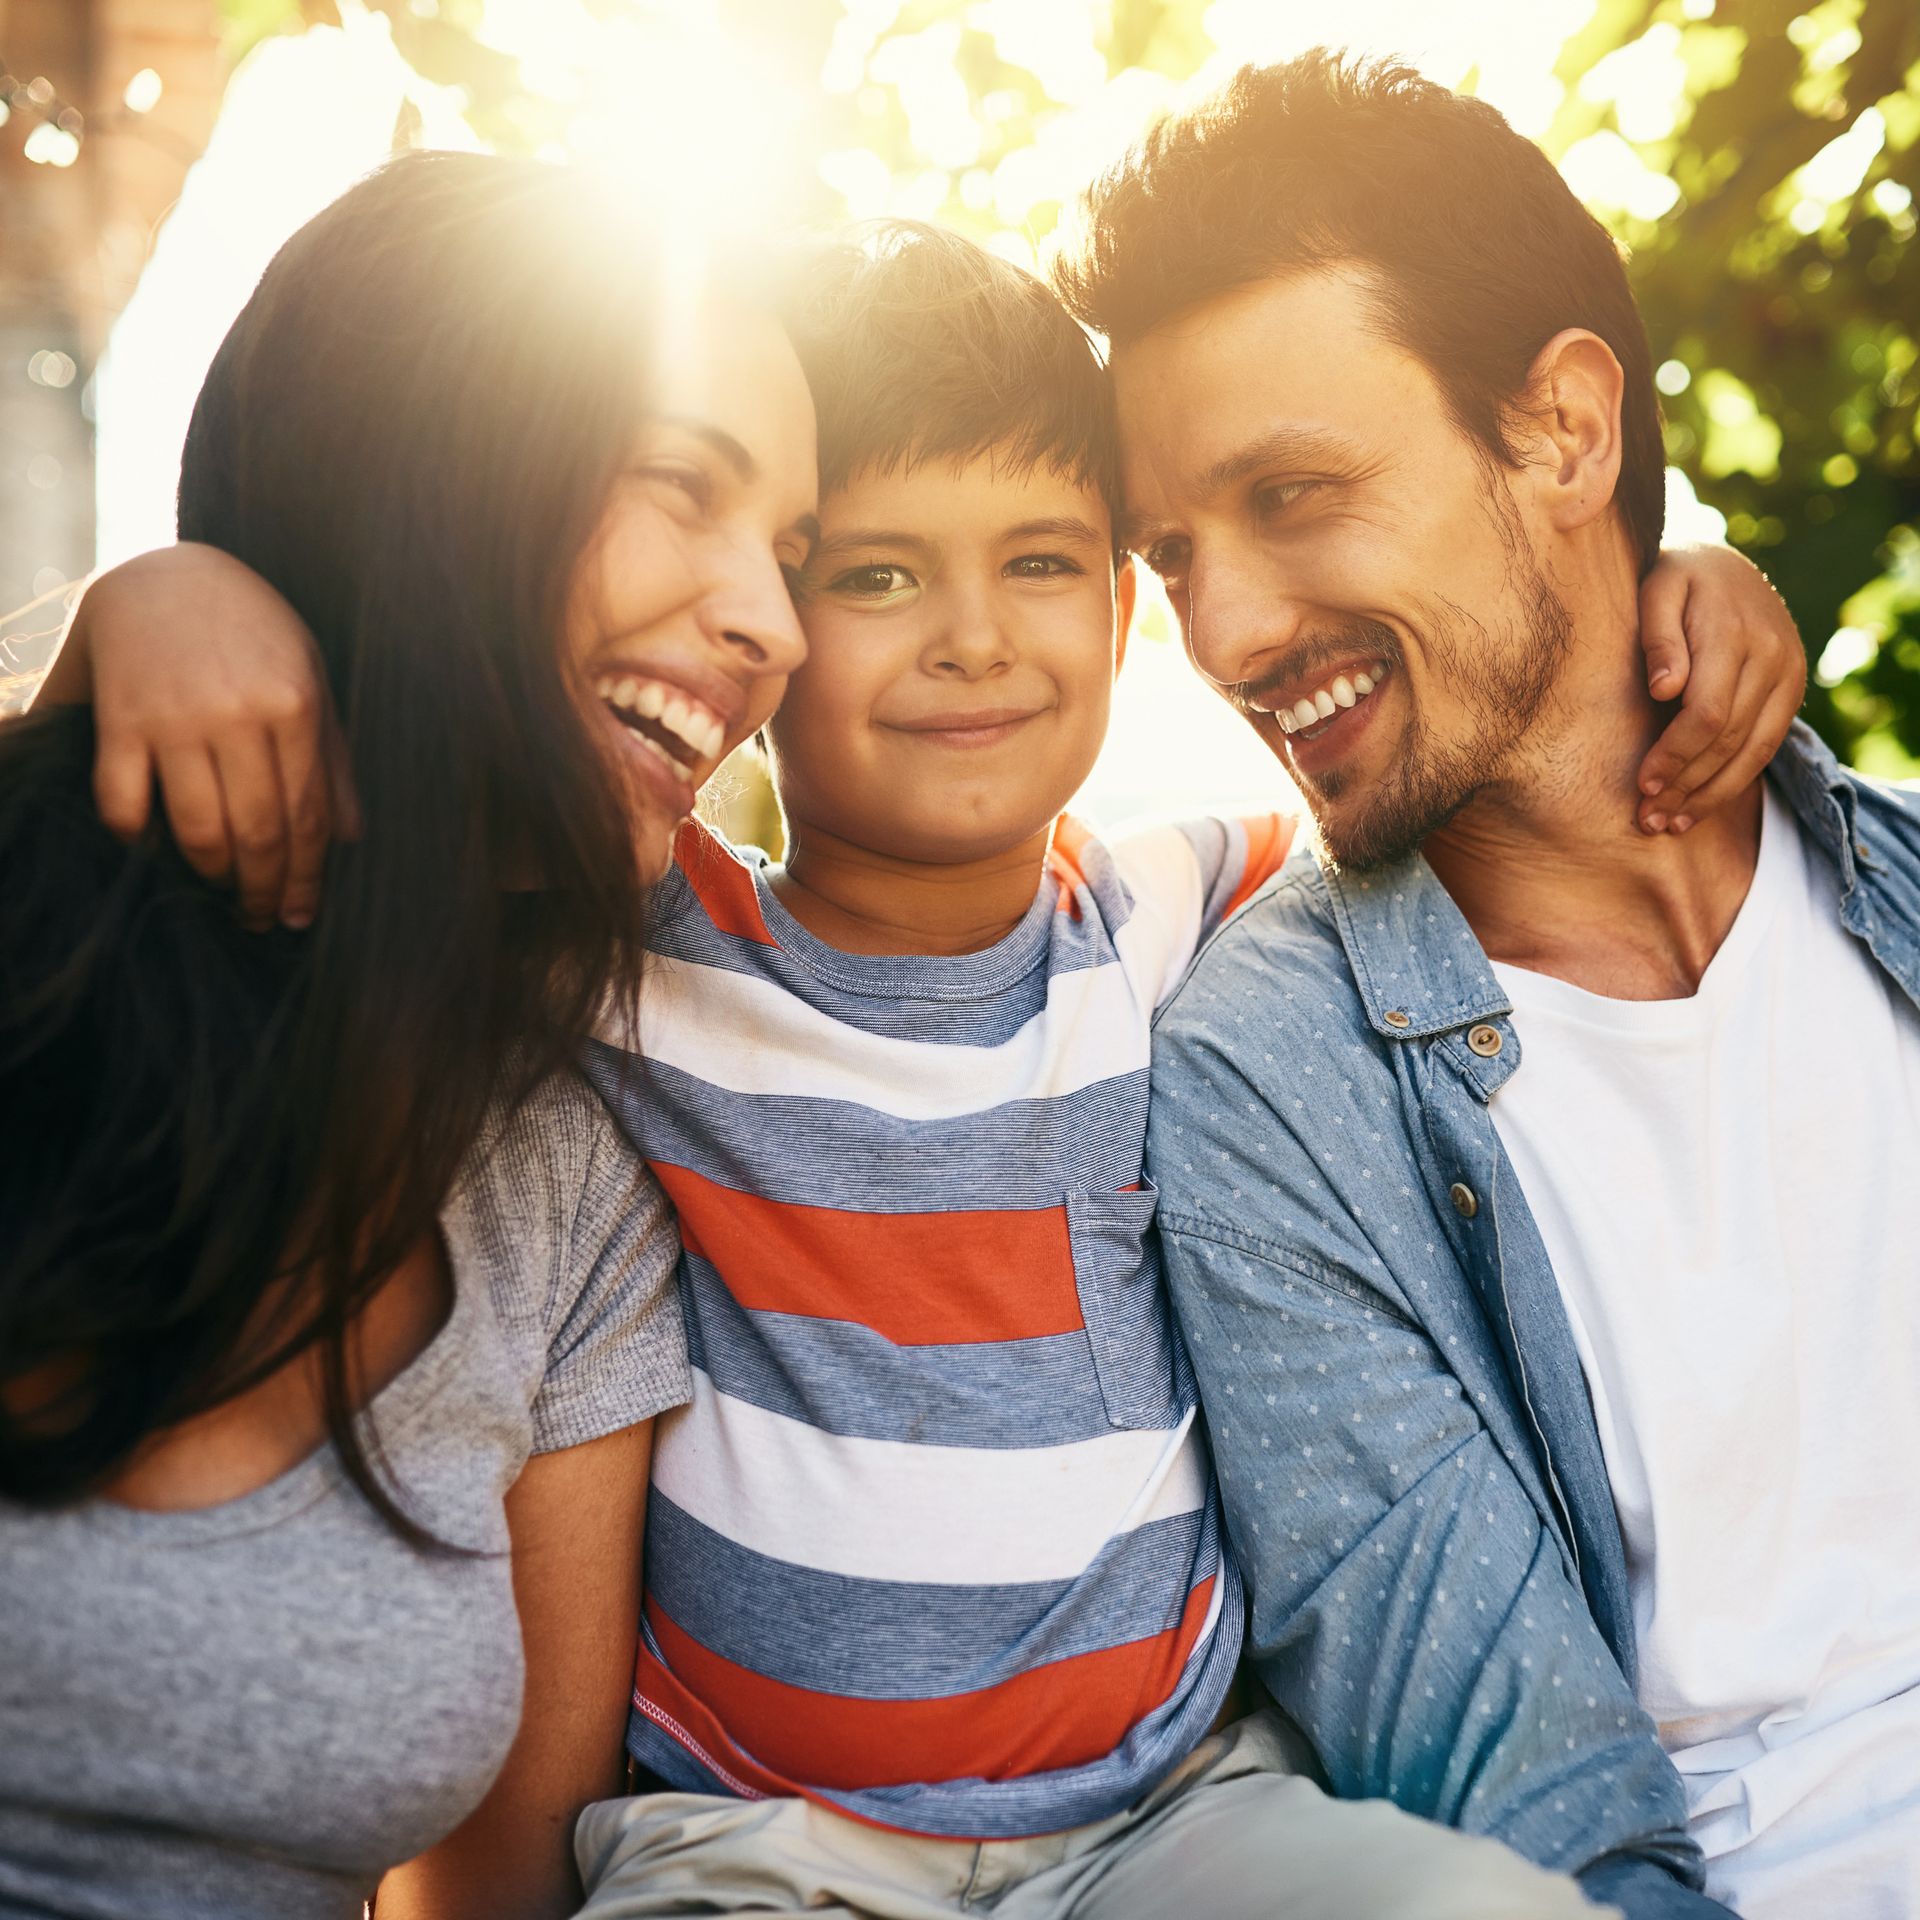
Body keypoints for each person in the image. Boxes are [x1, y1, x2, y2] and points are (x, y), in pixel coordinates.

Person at [65, 208, 1796, 1916]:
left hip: (1170, 1818)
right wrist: (164, 595)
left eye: (1040, 562)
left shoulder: (1196, 910)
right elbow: (388, 834)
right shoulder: (636, 959)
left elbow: (1464, 761)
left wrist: (1670, 584)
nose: (971, 636)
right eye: (875, 574)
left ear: (1122, 619)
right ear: (787, 644)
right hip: (755, 1849)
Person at [1053, 48, 1914, 1920]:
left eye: (1294, 494)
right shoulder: (1269, 1089)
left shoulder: (1894, 894)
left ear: (1567, 436)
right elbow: (1537, 1817)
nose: (1223, 634)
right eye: (1172, 553)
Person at [0, 150, 818, 1920]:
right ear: (437, 462)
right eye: (686, 483)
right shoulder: (31, 956)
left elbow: (503, 1885)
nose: (777, 624)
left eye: (801, 553)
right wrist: (130, 609)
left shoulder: (569, 1183)